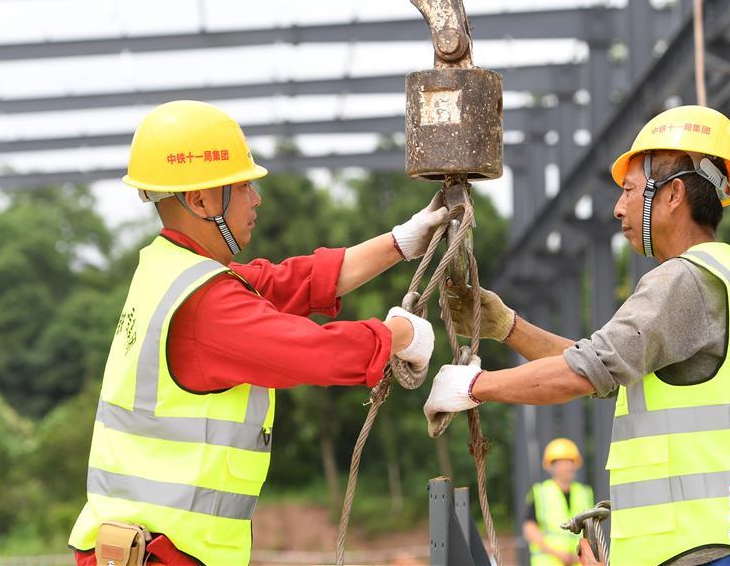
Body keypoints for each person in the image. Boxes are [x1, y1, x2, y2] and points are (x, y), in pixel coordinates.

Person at [425, 106, 730, 565]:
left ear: (673, 194)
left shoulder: (681, 280)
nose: (618, 208)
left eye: (630, 191)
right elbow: (604, 364)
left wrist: (473, 387)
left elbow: (585, 373)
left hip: (710, 550)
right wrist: (508, 327)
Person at [69, 100, 448, 566]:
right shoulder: (206, 304)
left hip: (141, 547)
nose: (256, 199)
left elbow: (287, 281)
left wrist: (401, 241)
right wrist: (398, 334)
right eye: (243, 186)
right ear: (200, 200)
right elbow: (312, 352)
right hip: (165, 555)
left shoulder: (169, 270)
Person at [525, 438, 595, 566]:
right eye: (561, 462)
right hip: (549, 561)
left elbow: (592, 530)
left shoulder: (585, 493)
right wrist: (556, 553)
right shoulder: (540, 492)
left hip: (579, 561)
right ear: (551, 466)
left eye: (569, 461)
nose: (566, 466)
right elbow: (530, 529)